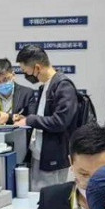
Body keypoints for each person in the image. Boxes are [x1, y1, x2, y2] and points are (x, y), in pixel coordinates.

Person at [13, 45, 78, 191]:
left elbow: (60, 121)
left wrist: (30, 120)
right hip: (39, 155)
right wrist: (26, 119)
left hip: (53, 158)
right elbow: (44, 118)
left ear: (37, 68)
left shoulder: (63, 86)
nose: (26, 75)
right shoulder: (45, 87)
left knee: (51, 198)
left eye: (26, 71)